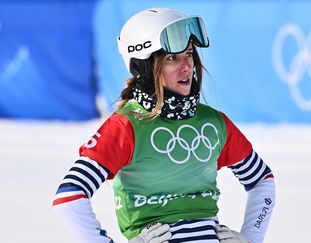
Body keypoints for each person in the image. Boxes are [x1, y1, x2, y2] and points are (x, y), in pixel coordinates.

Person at [52, 7, 275, 243]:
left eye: (189, 54)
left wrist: (252, 237)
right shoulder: (127, 126)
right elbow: (69, 197)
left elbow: (262, 181)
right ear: (145, 67)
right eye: (172, 58)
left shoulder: (214, 123)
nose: (187, 66)